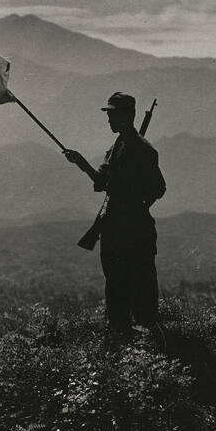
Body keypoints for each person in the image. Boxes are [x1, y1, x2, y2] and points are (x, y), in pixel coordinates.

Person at [64, 92, 166, 336]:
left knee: (142, 294)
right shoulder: (117, 146)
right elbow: (101, 182)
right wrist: (81, 163)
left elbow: (158, 189)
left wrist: (134, 205)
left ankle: (149, 350)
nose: (108, 120)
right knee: (116, 290)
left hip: (134, 232)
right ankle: (122, 341)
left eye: (112, 115)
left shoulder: (143, 150)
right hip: (113, 230)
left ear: (126, 116)